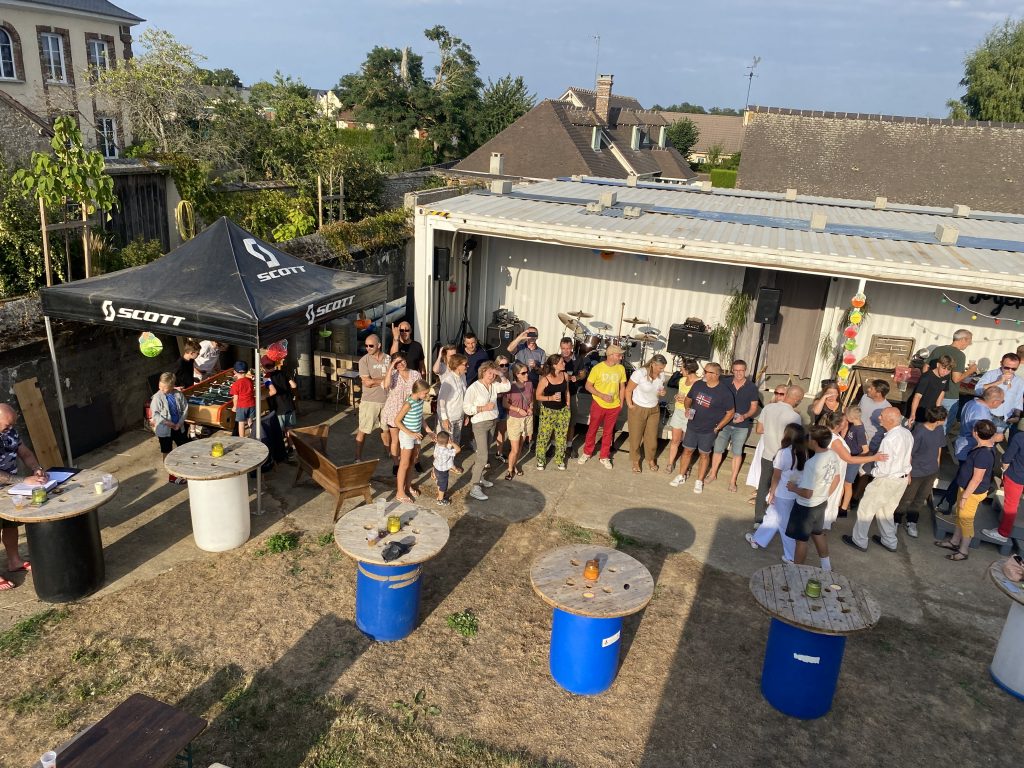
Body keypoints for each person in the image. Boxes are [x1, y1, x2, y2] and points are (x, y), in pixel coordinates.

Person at [843, 407, 910, 553]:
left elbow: (884, 467)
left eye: (882, 416)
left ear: (890, 420)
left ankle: (859, 540)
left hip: (886, 480)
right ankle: (890, 541)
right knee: (886, 511)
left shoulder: (889, 439)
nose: (879, 417)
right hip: (901, 480)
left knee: (866, 509)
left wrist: (868, 471)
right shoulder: (906, 433)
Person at [935, 419, 998, 561]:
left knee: (966, 520)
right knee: (960, 516)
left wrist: (965, 497)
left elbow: (977, 479)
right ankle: (954, 541)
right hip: (966, 489)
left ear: (975, 433)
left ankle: (963, 551)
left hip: (971, 493)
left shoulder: (983, 454)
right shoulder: (986, 446)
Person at [745, 423, 806, 562]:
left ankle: (791, 557)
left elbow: (776, 476)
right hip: (793, 493)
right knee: (771, 516)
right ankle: (757, 539)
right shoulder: (803, 452)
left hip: (782, 493)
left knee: (784, 525)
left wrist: (772, 492)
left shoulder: (784, 452)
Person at [0, 403, 45, 589]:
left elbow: (25, 453)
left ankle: (14, 561)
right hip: (7, 484)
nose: (11, 428)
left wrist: (36, 468)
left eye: (12, 424)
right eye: (7, 425)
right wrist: (23, 480)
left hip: (8, 489)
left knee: (10, 524)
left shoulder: (10, 432)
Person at [672, 363, 736, 494]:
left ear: (716, 375)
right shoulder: (698, 384)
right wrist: (687, 409)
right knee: (687, 451)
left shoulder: (724, 392)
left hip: (709, 430)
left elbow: (730, 413)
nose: (704, 373)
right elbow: (688, 398)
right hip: (692, 426)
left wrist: (719, 427)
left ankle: (699, 481)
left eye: (707, 371)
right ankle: (681, 475)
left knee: (704, 455)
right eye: (704, 370)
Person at [939, 386, 1004, 511]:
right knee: (963, 479)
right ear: (995, 401)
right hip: (970, 449)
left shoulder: (972, 402)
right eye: (1002, 401)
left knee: (962, 477)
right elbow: (981, 435)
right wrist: (996, 438)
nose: (1001, 404)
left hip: (964, 445)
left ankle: (948, 503)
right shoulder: (981, 413)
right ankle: (949, 504)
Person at [786, 425, 842, 569]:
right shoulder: (832, 454)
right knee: (817, 533)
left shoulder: (811, 464)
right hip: (821, 503)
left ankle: (797, 570)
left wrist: (793, 488)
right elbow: (836, 479)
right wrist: (824, 495)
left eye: (809, 438)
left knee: (801, 540)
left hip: (805, 507)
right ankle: (826, 566)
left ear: (814, 442)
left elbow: (807, 493)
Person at [893, 406, 948, 538]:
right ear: (938, 420)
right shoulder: (919, 431)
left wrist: (937, 465)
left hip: (931, 472)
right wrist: (908, 473)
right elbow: (909, 454)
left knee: (920, 498)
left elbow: (939, 447)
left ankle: (912, 521)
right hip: (916, 472)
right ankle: (896, 521)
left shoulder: (939, 429)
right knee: (906, 498)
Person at [753, 385, 804, 523]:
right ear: (797, 399)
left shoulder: (768, 408)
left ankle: (758, 518)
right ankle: (776, 517)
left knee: (763, 486)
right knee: (781, 488)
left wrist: (772, 432)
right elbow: (795, 438)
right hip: (784, 457)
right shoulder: (795, 416)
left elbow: (759, 429)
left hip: (767, 453)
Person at [709, 359, 761, 491]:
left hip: (742, 426)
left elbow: (754, 407)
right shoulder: (725, 383)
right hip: (725, 422)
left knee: (737, 452)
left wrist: (744, 416)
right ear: (732, 370)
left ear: (745, 370)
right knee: (718, 449)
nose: (738, 373)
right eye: (736, 370)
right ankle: (713, 474)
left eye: (741, 370)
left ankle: (733, 481)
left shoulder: (751, 387)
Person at [463, 361, 511, 500]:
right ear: (483, 372)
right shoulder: (474, 388)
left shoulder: (494, 385)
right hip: (479, 424)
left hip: (492, 422)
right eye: (490, 373)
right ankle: (474, 486)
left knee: (484, 453)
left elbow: (507, 386)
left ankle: (479, 477)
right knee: (483, 456)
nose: (492, 376)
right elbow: (466, 408)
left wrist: (500, 374)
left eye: (493, 373)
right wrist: (483, 408)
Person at [579, 345, 627, 469]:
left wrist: (621, 403)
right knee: (592, 429)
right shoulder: (598, 368)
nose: (621, 357)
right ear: (611, 355)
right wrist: (602, 395)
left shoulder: (621, 368)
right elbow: (588, 386)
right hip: (598, 404)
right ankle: (587, 452)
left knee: (608, 432)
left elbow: (622, 387)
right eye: (619, 355)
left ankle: (604, 456)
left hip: (614, 406)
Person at [925, 329, 978, 432]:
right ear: (963, 339)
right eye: (969, 341)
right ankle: (938, 441)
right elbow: (956, 379)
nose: (969, 344)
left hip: (932, 392)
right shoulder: (959, 355)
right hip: (949, 395)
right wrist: (970, 371)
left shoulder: (938, 349)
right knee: (943, 426)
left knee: (928, 421)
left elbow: (925, 367)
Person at [745, 385, 789, 503]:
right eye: (776, 393)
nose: (778, 396)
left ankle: (765, 496)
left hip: (778, 444)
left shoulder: (790, 412)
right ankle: (760, 489)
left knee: (773, 469)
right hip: (765, 442)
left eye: (782, 394)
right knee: (761, 466)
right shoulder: (769, 408)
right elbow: (759, 430)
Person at [625, 354, 668, 472]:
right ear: (653, 364)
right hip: (638, 408)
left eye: (663, 368)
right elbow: (628, 390)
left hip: (654, 409)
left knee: (652, 438)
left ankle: (650, 459)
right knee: (635, 437)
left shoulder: (661, 375)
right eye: (660, 368)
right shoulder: (640, 373)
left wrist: (662, 392)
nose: (662, 370)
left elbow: (658, 390)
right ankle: (635, 460)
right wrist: (630, 405)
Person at [381, 354, 422, 475]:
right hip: (394, 410)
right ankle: (396, 463)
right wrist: (391, 367)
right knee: (395, 440)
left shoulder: (415, 374)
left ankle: (416, 461)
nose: (401, 364)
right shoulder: (393, 375)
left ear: (406, 360)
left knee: (414, 438)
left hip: (410, 411)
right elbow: (386, 385)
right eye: (397, 363)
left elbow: (420, 390)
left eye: (402, 361)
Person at [982, 428, 1024, 544]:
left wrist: (1004, 470)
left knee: (1011, 506)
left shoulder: (1020, 437)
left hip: (1016, 475)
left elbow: (1006, 458)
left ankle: (1003, 533)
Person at [355, 334, 391, 462]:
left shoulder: (388, 358)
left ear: (379, 345)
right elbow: (367, 383)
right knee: (363, 429)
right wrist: (385, 379)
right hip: (369, 401)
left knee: (386, 429)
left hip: (386, 400)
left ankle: (389, 453)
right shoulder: (363, 361)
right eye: (366, 345)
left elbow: (392, 378)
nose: (368, 348)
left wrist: (375, 380)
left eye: (371, 345)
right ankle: (357, 458)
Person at [149, 373, 190, 485]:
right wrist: (167, 422)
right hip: (165, 429)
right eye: (160, 386)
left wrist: (179, 423)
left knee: (183, 447)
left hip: (178, 427)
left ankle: (184, 469)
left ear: (172, 386)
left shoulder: (178, 395)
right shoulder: (157, 398)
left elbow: (185, 409)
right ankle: (172, 475)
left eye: (164, 387)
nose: (161, 389)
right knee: (166, 450)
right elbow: (155, 414)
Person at [394, 380, 432, 502]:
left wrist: (429, 431)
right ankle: (400, 492)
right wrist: (410, 433)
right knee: (404, 464)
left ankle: (408, 486)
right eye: (425, 393)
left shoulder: (420, 401)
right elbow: (397, 421)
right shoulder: (408, 404)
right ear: (419, 392)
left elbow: (420, 417)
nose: (427, 395)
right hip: (407, 436)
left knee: (412, 462)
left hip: (416, 435)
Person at [536, 354, 571, 471]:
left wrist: (568, 405)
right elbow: (538, 396)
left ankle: (560, 460)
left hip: (563, 411)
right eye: (562, 362)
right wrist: (550, 398)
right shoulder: (545, 379)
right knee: (544, 436)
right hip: (547, 411)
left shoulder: (565, 375)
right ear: (555, 365)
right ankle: (540, 460)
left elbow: (567, 392)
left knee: (561, 437)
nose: (564, 364)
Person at [666, 359, 701, 476]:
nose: (681, 371)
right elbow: (680, 393)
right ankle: (670, 463)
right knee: (675, 440)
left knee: (687, 443)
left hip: (690, 413)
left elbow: (699, 401)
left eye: (682, 369)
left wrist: (687, 401)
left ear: (689, 370)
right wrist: (677, 397)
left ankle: (686, 466)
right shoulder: (681, 380)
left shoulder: (699, 383)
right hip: (678, 411)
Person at [973, 352, 1024, 432]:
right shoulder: (991, 374)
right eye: (1006, 367)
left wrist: (1017, 416)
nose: (1010, 371)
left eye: (1014, 369)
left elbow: (1018, 400)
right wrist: (998, 382)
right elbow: (978, 391)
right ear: (1001, 363)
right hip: (986, 416)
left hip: (1004, 419)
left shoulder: (1019, 381)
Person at [435, 353, 467, 473]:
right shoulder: (448, 381)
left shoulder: (463, 377)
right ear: (457, 365)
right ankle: (436, 469)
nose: (467, 366)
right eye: (465, 364)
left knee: (455, 442)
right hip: (448, 418)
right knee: (445, 444)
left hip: (459, 416)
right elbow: (441, 401)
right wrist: (444, 419)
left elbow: (464, 396)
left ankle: (451, 464)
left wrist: (466, 414)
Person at [503, 363, 534, 479]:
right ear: (517, 374)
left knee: (520, 445)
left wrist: (531, 408)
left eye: (527, 372)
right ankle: (509, 470)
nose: (527, 375)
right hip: (514, 420)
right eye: (523, 373)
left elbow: (531, 399)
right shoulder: (510, 386)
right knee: (515, 449)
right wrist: (518, 410)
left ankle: (514, 464)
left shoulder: (529, 384)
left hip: (527, 419)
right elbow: (505, 403)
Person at [559, 337, 589, 456]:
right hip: (558, 394)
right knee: (557, 421)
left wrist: (577, 377)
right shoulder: (557, 359)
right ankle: (554, 445)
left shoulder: (579, 359)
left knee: (571, 421)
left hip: (572, 394)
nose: (565, 351)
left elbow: (583, 373)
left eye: (568, 348)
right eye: (563, 348)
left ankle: (569, 445)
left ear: (572, 347)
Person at [264, 355, 297, 454]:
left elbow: (273, 391)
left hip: (278, 407)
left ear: (263, 366)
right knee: (289, 429)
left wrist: (264, 396)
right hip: (289, 405)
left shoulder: (266, 377)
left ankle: (281, 452)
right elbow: (294, 385)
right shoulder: (283, 372)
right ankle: (291, 448)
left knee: (279, 431)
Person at [838, 406, 868, 517]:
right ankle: (838, 505)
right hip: (847, 457)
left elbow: (865, 449)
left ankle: (844, 509)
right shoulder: (854, 425)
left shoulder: (859, 430)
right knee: (842, 483)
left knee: (847, 484)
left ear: (851, 417)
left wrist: (856, 460)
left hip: (852, 459)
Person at [908, 355, 952, 424]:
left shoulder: (946, 376)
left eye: (948, 370)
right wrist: (913, 414)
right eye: (943, 368)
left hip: (931, 411)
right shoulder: (926, 377)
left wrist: (938, 409)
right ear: (938, 365)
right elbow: (917, 396)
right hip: (918, 409)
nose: (945, 372)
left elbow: (942, 392)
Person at [859, 379, 891, 445]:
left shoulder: (887, 409)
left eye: (871, 389)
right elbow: (857, 411)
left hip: (870, 442)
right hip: (857, 433)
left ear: (878, 394)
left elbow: (889, 430)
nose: (868, 389)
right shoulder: (865, 397)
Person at [432, 430, 460, 506]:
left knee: (440, 483)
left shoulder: (437, 446)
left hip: (437, 468)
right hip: (443, 471)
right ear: (448, 441)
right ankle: (440, 500)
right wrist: (452, 443)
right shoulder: (446, 451)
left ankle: (440, 495)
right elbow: (458, 449)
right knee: (443, 485)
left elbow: (434, 456)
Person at [230, 361, 256, 439]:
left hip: (241, 406)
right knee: (250, 421)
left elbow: (235, 398)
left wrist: (234, 407)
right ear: (247, 370)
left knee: (241, 423)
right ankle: (253, 436)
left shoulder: (235, 384)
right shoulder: (250, 381)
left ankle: (242, 438)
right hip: (251, 404)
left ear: (234, 372)